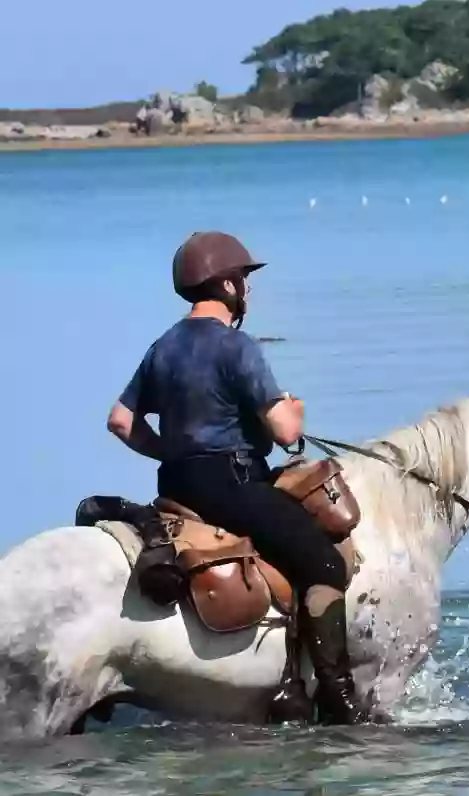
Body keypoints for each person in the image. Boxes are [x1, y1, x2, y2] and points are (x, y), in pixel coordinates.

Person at [106, 231, 368, 724]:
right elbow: (285, 430)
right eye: (245, 279)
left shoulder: (162, 347)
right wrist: (293, 412)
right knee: (325, 565)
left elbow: (120, 420)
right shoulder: (237, 347)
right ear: (227, 285)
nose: (249, 289)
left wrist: (172, 451)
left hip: (176, 488)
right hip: (232, 488)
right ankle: (337, 693)